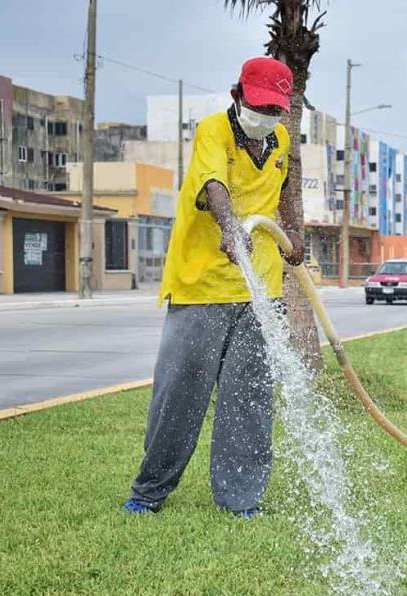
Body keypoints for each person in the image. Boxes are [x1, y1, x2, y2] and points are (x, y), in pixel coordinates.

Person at [124, 57, 304, 519]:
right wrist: (229, 227)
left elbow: (282, 192)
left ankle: (240, 498)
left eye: (275, 109)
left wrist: (293, 233)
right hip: (201, 284)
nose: (266, 117)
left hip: (259, 288)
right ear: (236, 95)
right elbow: (214, 184)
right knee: (180, 395)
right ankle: (149, 491)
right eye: (260, 106)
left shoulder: (280, 139)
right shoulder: (213, 131)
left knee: (249, 397)